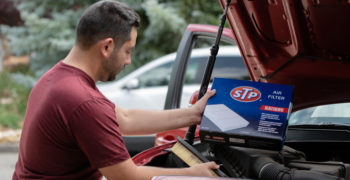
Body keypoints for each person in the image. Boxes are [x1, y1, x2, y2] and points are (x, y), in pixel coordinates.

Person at [13, 0, 218, 179]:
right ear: (107, 47)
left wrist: (193, 115)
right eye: (128, 51)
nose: (128, 61)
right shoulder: (83, 101)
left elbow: (125, 118)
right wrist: (194, 174)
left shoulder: (59, 78)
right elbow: (126, 176)